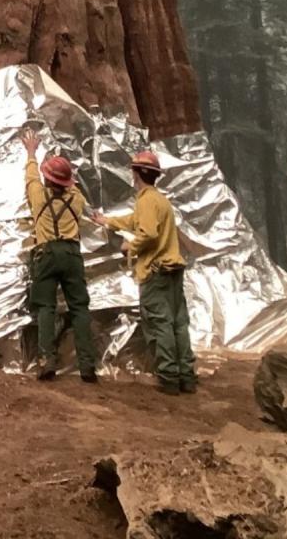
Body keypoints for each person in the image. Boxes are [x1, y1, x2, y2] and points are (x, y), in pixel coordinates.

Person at [90, 151, 195, 396]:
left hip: (155, 272)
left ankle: (169, 377)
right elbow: (136, 220)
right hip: (172, 271)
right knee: (178, 323)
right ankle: (186, 376)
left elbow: (147, 233)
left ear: (136, 173)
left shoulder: (146, 201)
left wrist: (130, 246)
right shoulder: (159, 200)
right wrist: (108, 221)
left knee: (161, 324)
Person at [21, 131, 99, 383]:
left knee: (45, 308)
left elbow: (31, 176)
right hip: (71, 254)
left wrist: (32, 152)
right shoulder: (76, 200)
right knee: (79, 307)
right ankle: (87, 366)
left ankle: (47, 362)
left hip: (45, 254)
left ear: (46, 179)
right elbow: (72, 185)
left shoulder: (37, 195)